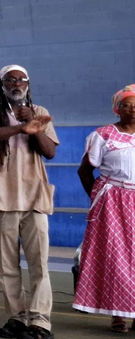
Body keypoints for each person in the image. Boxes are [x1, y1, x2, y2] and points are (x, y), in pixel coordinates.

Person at [0, 65, 57, 339]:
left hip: (34, 198)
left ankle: (40, 322)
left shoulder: (40, 111)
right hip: (2, 198)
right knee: (8, 266)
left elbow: (49, 152)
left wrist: (34, 126)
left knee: (39, 264)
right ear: (1, 84)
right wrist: (20, 127)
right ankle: (17, 318)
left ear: (28, 84)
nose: (17, 84)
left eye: (21, 80)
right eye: (11, 80)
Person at [73, 84, 135, 332]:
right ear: (117, 109)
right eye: (127, 105)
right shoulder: (103, 134)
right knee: (115, 258)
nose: (132, 110)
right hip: (112, 203)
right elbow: (85, 170)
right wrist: (98, 199)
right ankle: (117, 315)